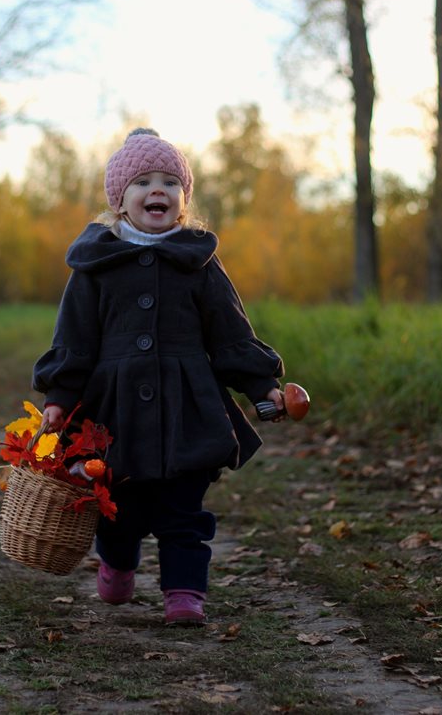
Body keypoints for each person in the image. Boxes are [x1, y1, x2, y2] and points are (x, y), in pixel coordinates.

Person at [32, 128, 285, 626]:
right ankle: (118, 561)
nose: (158, 190)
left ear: (183, 199)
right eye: (144, 181)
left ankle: (184, 593)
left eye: (171, 182)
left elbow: (230, 333)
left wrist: (263, 387)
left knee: (183, 512)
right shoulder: (94, 266)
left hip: (188, 409)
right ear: (120, 200)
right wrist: (61, 398)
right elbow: (75, 340)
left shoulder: (199, 264)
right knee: (116, 507)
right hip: (114, 412)